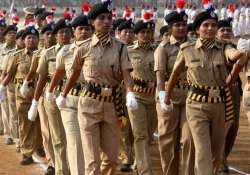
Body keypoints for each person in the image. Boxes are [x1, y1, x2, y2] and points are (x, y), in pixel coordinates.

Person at [58, 1, 137, 174]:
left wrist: (130, 93)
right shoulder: (83, 48)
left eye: (109, 18)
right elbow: (74, 73)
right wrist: (63, 95)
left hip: (112, 105)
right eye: (101, 18)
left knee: (111, 158)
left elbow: (126, 73)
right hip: (89, 105)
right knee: (92, 160)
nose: (107, 21)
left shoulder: (121, 48)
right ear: (92, 22)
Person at [165, 10, 246, 175]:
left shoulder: (223, 47)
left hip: (219, 106)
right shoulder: (187, 49)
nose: (210, 28)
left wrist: (241, 53)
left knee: (216, 153)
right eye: (206, 25)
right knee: (202, 150)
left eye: (213, 25)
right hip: (196, 105)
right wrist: (166, 97)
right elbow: (174, 75)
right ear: (197, 30)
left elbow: (232, 55)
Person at [47, 14, 93, 175]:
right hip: (71, 101)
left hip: (93, 101)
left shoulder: (100, 50)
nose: (85, 32)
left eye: (88, 29)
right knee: (74, 143)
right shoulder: (65, 52)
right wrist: (51, 91)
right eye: (81, 29)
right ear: (75, 31)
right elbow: (59, 72)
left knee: (92, 145)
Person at [28, 18, 72, 175]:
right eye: (60, 33)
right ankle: (60, 169)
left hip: (75, 96)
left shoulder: (78, 50)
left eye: (67, 32)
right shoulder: (48, 53)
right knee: (57, 136)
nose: (64, 35)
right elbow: (40, 79)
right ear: (56, 36)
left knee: (73, 136)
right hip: (52, 97)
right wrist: (34, 102)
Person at [154, 11, 195, 175]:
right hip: (169, 97)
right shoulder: (163, 48)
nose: (181, 28)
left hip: (190, 97)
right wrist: (163, 96)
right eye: (177, 25)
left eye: (184, 25)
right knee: (168, 140)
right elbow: (159, 74)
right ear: (170, 28)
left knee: (189, 139)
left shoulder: (193, 45)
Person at [0, 26, 41, 165]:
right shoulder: (16, 56)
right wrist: (2, 88)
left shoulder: (43, 54)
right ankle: (26, 152)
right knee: (24, 124)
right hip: (22, 94)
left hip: (39, 92)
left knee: (40, 122)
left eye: (34, 37)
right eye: (28, 37)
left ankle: (39, 146)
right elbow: (9, 74)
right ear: (23, 40)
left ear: (38, 40)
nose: (31, 40)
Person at [20, 23, 56, 175]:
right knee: (47, 130)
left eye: (52, 34)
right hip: (43, 94)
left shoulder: (69, 50)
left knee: (59, 132)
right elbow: (33, 72)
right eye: (47, 34)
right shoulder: (39, 54)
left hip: (62, 96)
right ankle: (51, 163)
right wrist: (26, 84)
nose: (50, 36)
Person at [126, 19, 156, 175]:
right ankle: (145, 171)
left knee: (150, 136)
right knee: (140, 134)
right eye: (142, 32)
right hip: (136, 97)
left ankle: (138, 164)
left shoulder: (158, 50)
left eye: (149, 32)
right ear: (136, 35)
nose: (146, 35)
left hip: (154, 98)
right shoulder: (128, 51)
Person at [216, 19, 242, 173]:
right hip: (218, 91)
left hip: (234, 90)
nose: (226, 32)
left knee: (233, 127)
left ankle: (223, 157)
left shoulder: (234, 47)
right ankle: (218, 160)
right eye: (222, 30)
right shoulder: (215, 48)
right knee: (221, 127)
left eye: (228, 30)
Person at [116, 19, 135, 172]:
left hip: (137, 94)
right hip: (118, 92)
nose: (128, 34)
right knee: (122, 126)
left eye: (130, 32)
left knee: (136, 128)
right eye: (125, 32)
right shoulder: (115, 49)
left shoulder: (137, 49)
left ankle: (133, 154)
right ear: (119, 33)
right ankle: (126, 157)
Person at [0, 25, 17, 145]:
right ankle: (8, 134)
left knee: (15, 109)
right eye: (10, 33)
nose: (12, 35)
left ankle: (16, 133)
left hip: (14, 81)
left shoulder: (19, 48)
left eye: (14, 33)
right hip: (2, 80)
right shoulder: (1, 49)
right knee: (5, 108)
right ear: (5, 36)